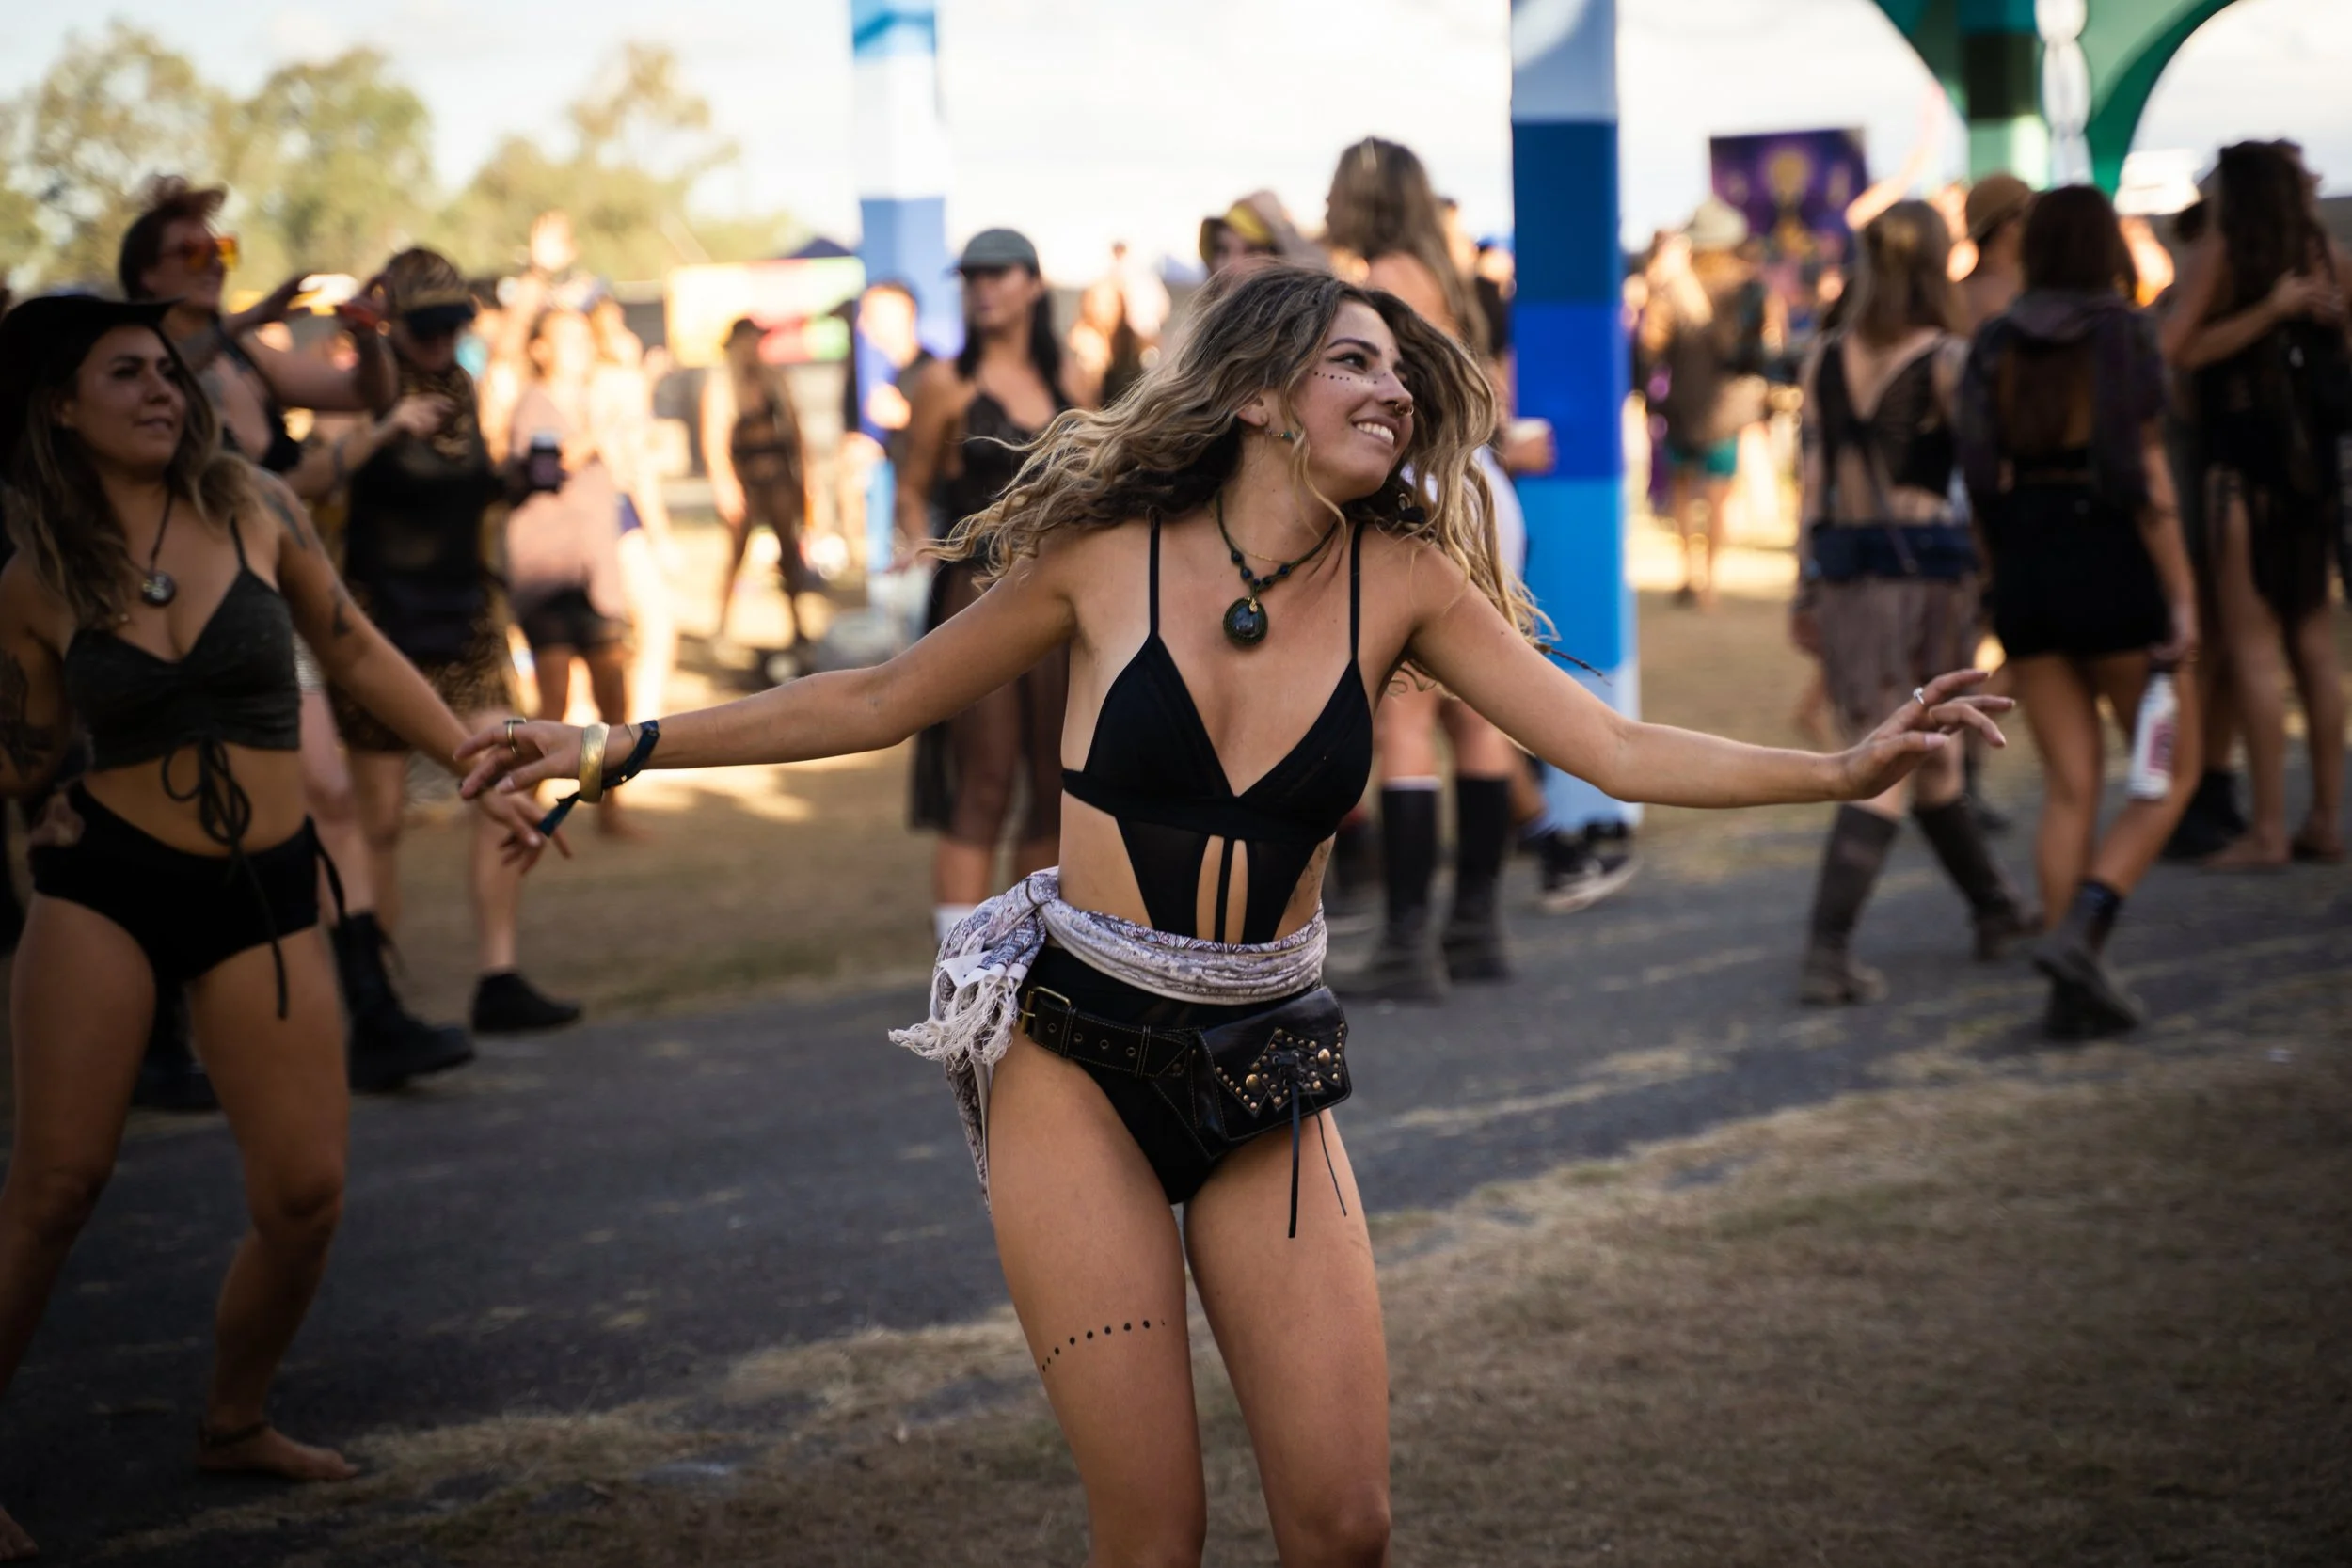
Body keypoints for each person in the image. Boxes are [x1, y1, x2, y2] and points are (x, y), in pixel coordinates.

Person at [459, 263, 2006, 1567]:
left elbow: (1608, 745)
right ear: (1261, 393)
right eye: (1354, 362)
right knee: (1157, 1535)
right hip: (1077, 1050)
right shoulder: (1100, 558)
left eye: (1402, 371)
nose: (1391, 391)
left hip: (1268, 1056)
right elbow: (873, 695)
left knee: (1343, 1527)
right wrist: (620, 740)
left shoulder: (1405, 580)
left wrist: (1842, 765)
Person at [0, 294, 551, 1560]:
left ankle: (234, 1418)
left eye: (169, 373)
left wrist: (483, 761)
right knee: (55, 1188)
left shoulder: (255, 504)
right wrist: (37, 799)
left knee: (306, 1191)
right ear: (58, 405)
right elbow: (22, 750)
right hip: (107, 886)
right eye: (126, 373)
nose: (161, 391)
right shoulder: (34, 575)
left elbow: (353, 653)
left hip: (262, 881)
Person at [1958, 186, 2201, 1038]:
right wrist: (2182, 594)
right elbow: (2146, 477)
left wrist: (1997, 585)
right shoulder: (2123, 330)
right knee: (2171, 769)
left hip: (2025, 564)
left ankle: (2070, 987)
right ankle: (2087, 934)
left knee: (2070, 786)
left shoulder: (1994, 340)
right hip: (2111, 557)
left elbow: (1981, 485)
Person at [1791, 200, 2032, 1006]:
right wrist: (2001, 585)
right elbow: (1989, 486)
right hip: (1928, 580)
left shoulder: (1822, 355)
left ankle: (1995, 909)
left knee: (1929, 758)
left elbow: (1812, 484)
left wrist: (1805, 586)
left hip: (1847, 577)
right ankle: (1826, 951)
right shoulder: (1948, 359)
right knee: (1896, 755)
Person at [1324, 136, 1549, 996]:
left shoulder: (1381, 276)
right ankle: (1474, 929)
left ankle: (1408, 943)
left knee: (1406, 721)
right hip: (1479, 489)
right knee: (1478, 715)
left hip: (1420, 491)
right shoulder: (1443, 275)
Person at [338, 249, 580, 1037]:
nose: (443, 339)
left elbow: (463, 487)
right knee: (375, 814)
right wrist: (381, 416)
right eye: (426, 325)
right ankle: (375, 998)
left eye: (453, 323)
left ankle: (498, 976)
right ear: (395, 326)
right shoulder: (365, 390)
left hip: (463, 611)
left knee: (508, 778)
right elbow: (335, 471)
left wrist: (518, 478)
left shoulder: (461, 386)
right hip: (385, 621)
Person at [2160, 139, 2348, 867]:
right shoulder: (2330, 259)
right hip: (2312, 478)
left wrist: (2265, 314)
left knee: (2256, 651)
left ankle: (2269, 828)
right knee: (2314, 649)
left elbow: (2174, 348)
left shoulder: (2227, 255)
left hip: (2242, 472)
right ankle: (2325, 820)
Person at [898, 229, 1085, 943]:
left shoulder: (1072, 378)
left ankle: (1028, 949)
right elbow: (913, 488)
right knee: (983, 779)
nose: (981, 287)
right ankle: (960, 963)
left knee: (1054, 781)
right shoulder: (946, 382)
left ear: (1033, 284)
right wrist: (916, 544)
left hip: (1062, 596)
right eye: (971, 276)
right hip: (975, 591)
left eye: (997, 273)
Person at [508, 306, 639, 842]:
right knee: (555, 702)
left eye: (584, 338)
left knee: (611, 701)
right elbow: (543, 470)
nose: (581, 348)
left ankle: (600, 805)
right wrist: (597, 435)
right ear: (539, 348)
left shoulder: (589, 403)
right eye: (568, 339)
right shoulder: (533, 404)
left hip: (595, 573)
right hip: (548, 573)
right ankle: (520, 807)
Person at [1642, 198, 1772, 610]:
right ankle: (1711, 583)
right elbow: (1758, 349)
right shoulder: (1749, 288)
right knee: (1717, 494)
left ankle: (1687, 572)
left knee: (1682, 489)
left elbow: (1650, 344)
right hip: (1728, 407)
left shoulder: (1672, 287)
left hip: (1682, 403)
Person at [703, 317, 819, 656]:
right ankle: (721, 625)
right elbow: (714, 439)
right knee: (736, 553)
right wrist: (725, 485)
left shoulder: (774, 379)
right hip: (745, 477)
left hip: (778, 476)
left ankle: (798, 627)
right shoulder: (724, 385)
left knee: (789, 552)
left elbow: (795, 431)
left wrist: (805, 478)